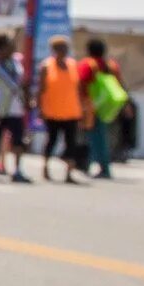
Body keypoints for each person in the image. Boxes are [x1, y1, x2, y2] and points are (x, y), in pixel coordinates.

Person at [36, 34, 86, 185]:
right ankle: (45, 167)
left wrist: (83, 109)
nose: (63, 51)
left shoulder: (73, 65)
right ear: (53, 50)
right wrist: (40, 108)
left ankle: (69, 173)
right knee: (51, 140)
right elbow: (41, 89)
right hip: (52, 111)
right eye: (60, 48)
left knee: (71, 143)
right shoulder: (46, 66)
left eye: (65, 48)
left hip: (71, 111)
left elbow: (78, 89)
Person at [0, 34, 31, 184]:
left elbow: (23, 84)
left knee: (18, 140)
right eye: (9, 45)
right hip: (0, 107)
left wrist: (27, 100)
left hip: (15, 108)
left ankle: (17, 170)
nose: (12, 48)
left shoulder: (17, 63)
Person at [78, 38, 123, 181]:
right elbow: (119, 83)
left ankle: (95, 166)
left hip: (90, 106)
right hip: (108, 106)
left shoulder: (88, 65)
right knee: (102, 137)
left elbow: (81, 84)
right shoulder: (111, 65)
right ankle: (101, 166)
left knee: (92, 137)